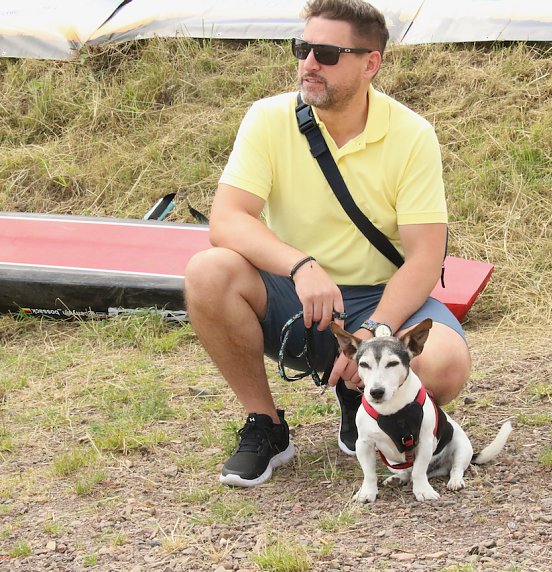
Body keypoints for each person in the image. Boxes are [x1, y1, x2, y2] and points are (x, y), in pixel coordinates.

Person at [184, 0, 471, 488]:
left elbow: (426, 257)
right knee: (207, 271)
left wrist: (376, 331)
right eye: (303, 49)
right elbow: (227, 219)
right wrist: (300, 266)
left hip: (381, 298)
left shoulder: (412, 134)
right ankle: (265, 425)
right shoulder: (268, 118)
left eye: (327, 54)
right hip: (296, 297)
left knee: (445, 364)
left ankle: (369, 405)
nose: (309, 63)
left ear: (370, 63)